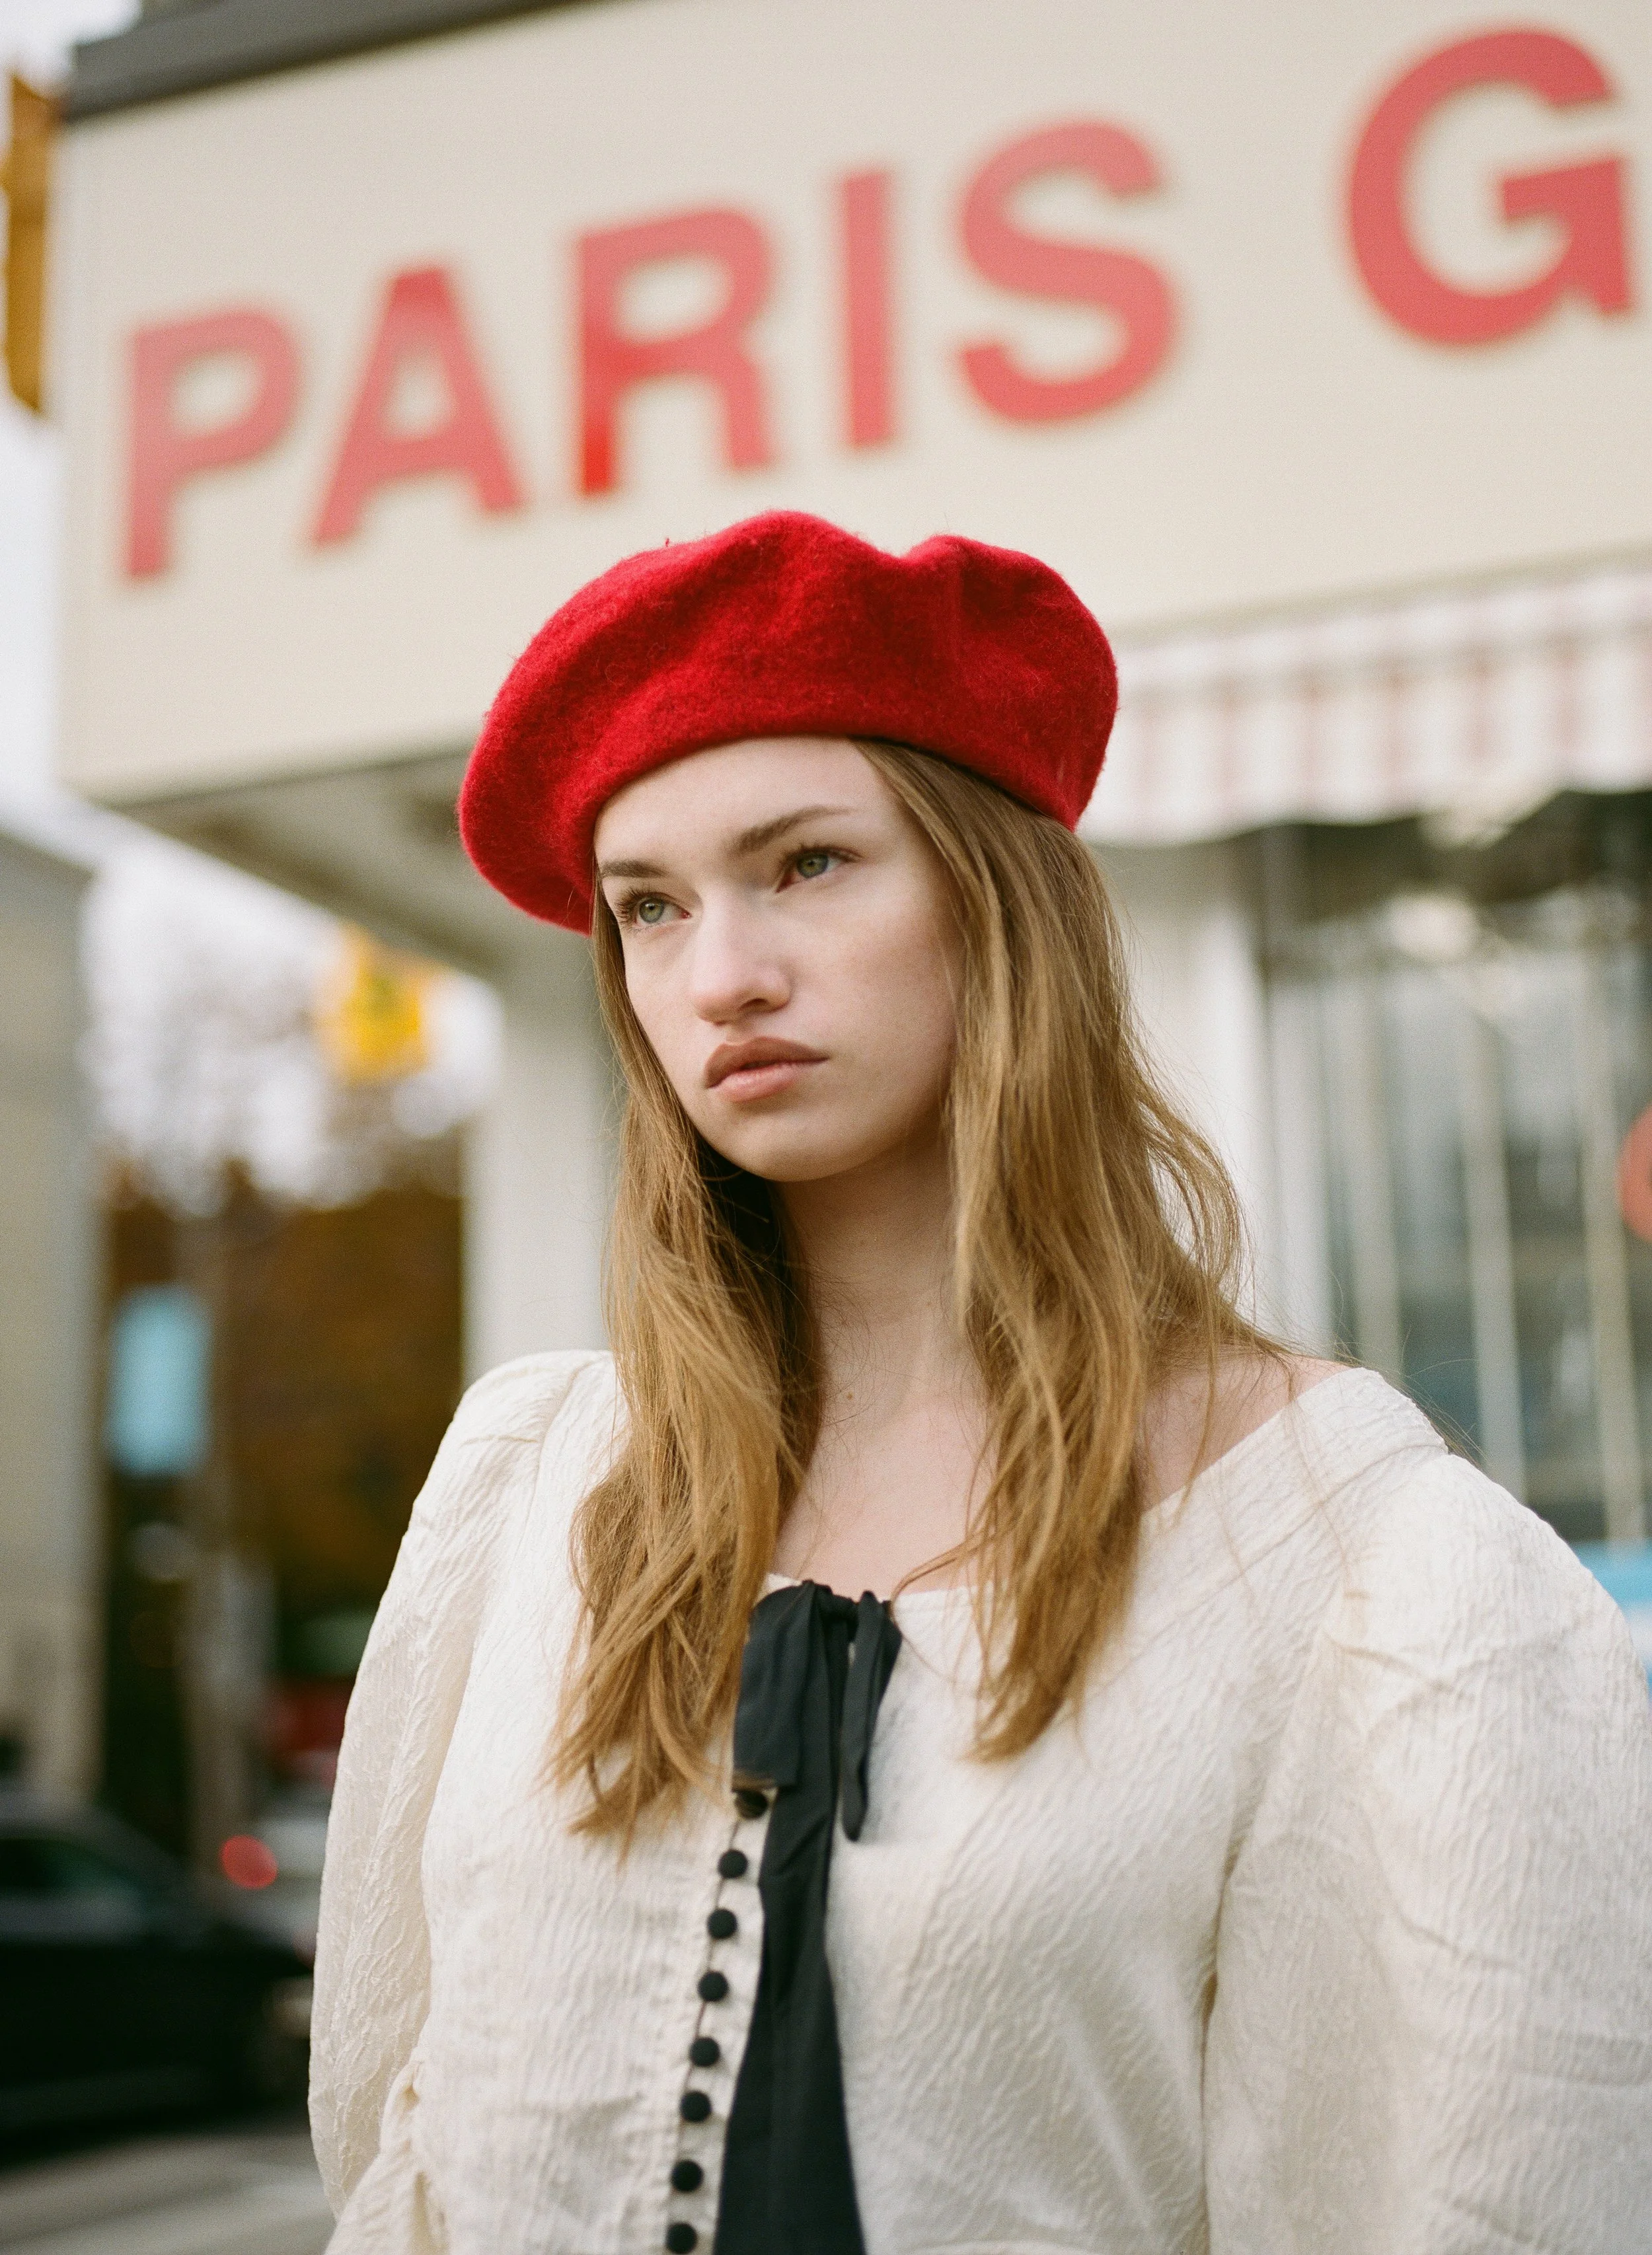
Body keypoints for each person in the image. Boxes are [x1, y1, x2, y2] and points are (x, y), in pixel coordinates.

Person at [311, 513, 1652, 2255]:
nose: (721, 975)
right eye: (649, 906)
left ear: (994, 898)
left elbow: (1480, 2189)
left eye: (807, 862)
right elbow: (395, 2133)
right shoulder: (534, 1486)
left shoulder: (1359, 1557)